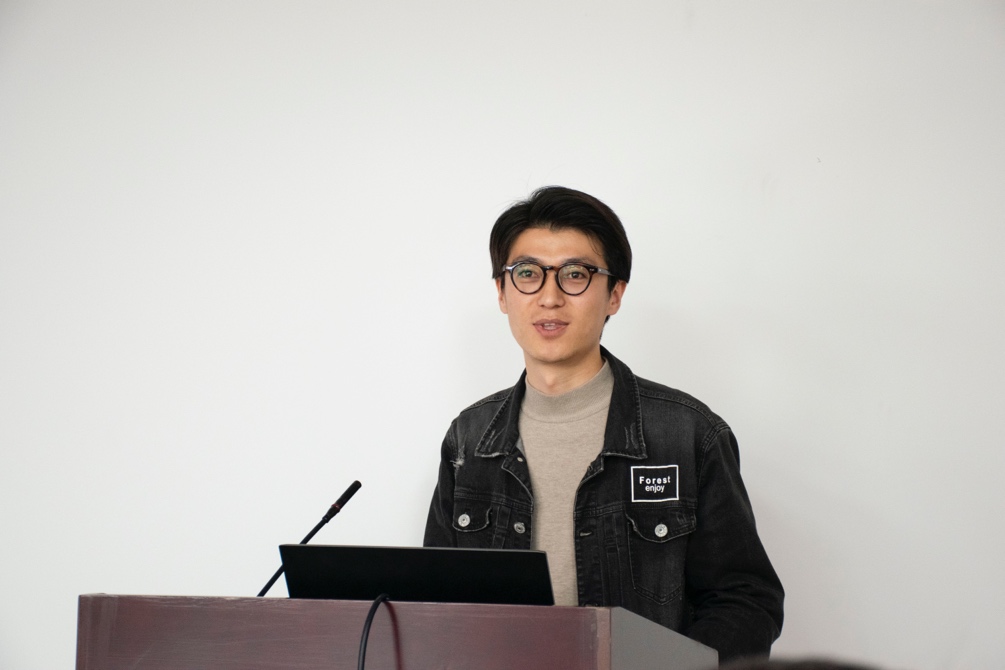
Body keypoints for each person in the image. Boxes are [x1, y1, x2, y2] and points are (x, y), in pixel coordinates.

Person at [423, 186, 784, 662]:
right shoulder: (469, 440)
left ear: (614, 294)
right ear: (502, 293)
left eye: (575, 275)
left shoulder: (688, 434)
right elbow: (433, 602)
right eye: (527, 274)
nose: (549, 297)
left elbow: (746, 601)